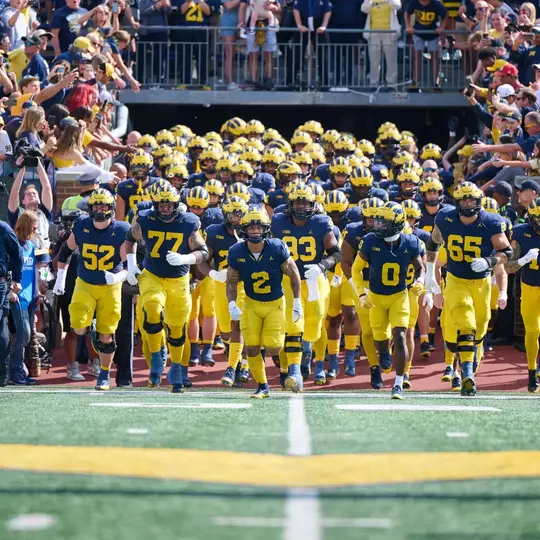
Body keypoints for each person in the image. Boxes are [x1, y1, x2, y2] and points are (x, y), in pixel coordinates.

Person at [425, 181, 511, 397]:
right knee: (466, 322)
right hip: (456, 280)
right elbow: (433, 245)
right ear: (456, 201)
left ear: (478, 201)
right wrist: (430, 279)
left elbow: (507, 253)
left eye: (471, 199)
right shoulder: (445, 218)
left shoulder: (490, 222)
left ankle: (468, 367)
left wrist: (489, 261)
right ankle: (467, 374)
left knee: (480, 330)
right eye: (463, 199)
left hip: (481, 283)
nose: (467, 203)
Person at [125, 182, 209, 393]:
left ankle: (178, 370)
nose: (165, 208)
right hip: (152, 275)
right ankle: (156, 357)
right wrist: (132, 264)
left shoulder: (188, 221)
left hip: (178, 280)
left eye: (168, 204)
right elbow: (130, 238)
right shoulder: (146, 219)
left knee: (177, 327)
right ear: (155, 204)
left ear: (176, 203)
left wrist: (186, 258)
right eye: (161, 204)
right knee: (151, 309)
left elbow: (203, 251)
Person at [53, 188, 130, 391]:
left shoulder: (121, 229)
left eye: (103, 205)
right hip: (85, 283)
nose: (100, 209)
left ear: (111, 207)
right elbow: (65, 251)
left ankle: (104, 374)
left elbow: (130, 265)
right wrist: (60, 278)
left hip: (110, 287)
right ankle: (92, 330)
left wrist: (118, 276)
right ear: (90, 208)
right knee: (77, 326)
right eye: (96, 205)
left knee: (107, 335)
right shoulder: (81, 225)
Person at [270, 182, 340, 390]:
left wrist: (321, 266)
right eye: (297, 203)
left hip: (314, 279)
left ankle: (307, 350)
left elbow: (336, 253)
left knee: (314, 322)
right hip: (287, 279)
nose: (301, 207)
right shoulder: (278, 222)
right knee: (291, 325)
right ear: (290, 204)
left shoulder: (321, 223)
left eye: (305, 203)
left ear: (313, 204)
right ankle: (291, 370)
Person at [227, 207, 302, 398]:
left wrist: (297, 300)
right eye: (251, 228)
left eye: (258, 228)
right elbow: (232, 281)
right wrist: (232, 303)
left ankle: (285, 367)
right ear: (244, 229)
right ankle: (262, 386)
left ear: (265, 229)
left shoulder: (277, 248)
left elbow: (294, 274)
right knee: (251, 345)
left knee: (274, 346)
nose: (254, 232)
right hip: (251, 303)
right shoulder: (236, 251)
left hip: (274, 303)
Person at [357, 202, 425, 399]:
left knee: (401, 336)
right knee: (380, 338)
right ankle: (383, 355)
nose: (377, 225)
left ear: (396, 223)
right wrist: (362, 294)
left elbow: (420, 267)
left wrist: (420, 281)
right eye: (377, 221)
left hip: (399, 296)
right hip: (376, 298)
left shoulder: (410, 242)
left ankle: (398, 383)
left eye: (383, 222)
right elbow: (356, 268)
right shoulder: (370, 241)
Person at [199, 196, 249, 386]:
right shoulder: (213, 232)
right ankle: (237, 360)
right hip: (221, 284)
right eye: (232, 214)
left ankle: (239, 365)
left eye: (239, 214)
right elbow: (202, 260)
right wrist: (212, 273)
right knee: (226, 332)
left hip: (245, 285)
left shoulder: (251, 230)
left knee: (239, 325)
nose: (236, 218)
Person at [505, 198, 540, 392]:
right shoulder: (521, 233)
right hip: (530, 287)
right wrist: (525, 259)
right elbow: (509, 267)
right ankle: (531, 371)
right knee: (533, 331)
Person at [8, 210, 39, 385]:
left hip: (29, 296)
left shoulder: (31, 246)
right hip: (17, 297)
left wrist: (36, 293)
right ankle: (14, 371)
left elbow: (33, 270)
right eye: (34, 227)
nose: (36, 231)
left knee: (25, 336)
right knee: (22, 334)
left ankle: (18, 370)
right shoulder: (13, 244)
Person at [8, 161, 53, 250]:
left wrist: (37, 162)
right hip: (23, 255)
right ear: (23, 201)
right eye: (28, 194)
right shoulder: (18, 213)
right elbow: (14, 193)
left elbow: (46, 187)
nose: (31, 195)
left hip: (42, 254)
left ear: (40, 200)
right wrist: (22, 168)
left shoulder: (44, 212)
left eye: (34, 193)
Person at [0, 218, 23, 387]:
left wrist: (16, 279)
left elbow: (17, 253)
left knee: (1, 326)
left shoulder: (2, 227)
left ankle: (2, 374)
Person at [405, 0, 448, 91]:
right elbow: (407, 13)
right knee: (417, 57)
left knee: (435, 58)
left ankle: (436, 83)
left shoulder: (436, 4)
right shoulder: (414, 3)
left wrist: (442, 27)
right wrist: (408, 26)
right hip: (418, 32)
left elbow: (445, 14)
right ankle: (415, 82)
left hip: (433, 33)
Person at [238, 0, 281, 89]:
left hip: (268, 25)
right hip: (252, 25)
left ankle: (268, 81)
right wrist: (241, 22)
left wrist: (274, 8)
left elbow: (279, 8)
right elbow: (242, 7)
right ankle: (253, 82)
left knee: (268, 55)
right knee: (253, 55)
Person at [361, 0, 401, 87]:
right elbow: (363, 9)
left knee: (391, 60)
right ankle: (374, 83)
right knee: (374, 60)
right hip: (373, 32)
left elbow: (398, 6)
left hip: (389, 32)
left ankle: (392, 83)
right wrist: (369, 2)